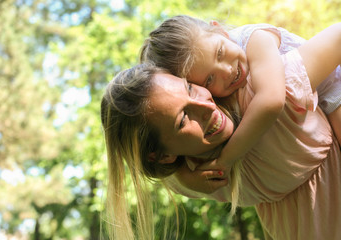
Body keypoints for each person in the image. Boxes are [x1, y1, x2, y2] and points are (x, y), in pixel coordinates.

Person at [101, 23, 341, 240]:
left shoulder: (269, 92)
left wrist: (220, 162)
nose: (207, 106)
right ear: (165, 156)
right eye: (183, 119)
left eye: (190, 89)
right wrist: (185, 175)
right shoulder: (197, 175)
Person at [140, 15, 341, 176]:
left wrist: (227, 159)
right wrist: (189, 178)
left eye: (219, 53)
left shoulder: (256, 40)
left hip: (335, 89)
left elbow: (271, 101)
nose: (227, 71)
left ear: (219, 30)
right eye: (209, 80)